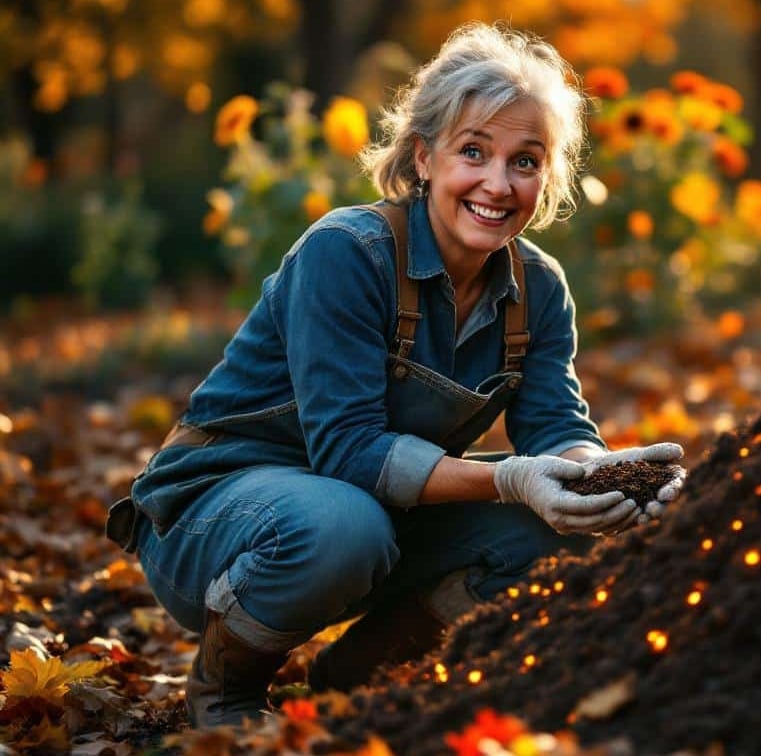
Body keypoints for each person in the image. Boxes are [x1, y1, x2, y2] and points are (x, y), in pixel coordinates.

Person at [104, 22, 685, 728]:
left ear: (548, 176)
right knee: (344, 524)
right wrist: (509, 478)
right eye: (473, 151)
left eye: (526, 161)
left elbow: (556, 425)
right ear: (423, 156)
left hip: (371, 522)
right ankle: (226, 693)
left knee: (563, 530)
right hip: (212, 522)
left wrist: (605, 478)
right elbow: (347, 451)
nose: (498, 184)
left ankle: (356, 683)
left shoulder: (539, 287)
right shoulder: (348, 253)